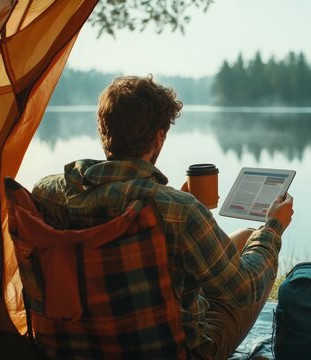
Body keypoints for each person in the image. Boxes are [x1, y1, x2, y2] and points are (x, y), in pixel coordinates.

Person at [31, 75, 294, 359]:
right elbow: (244, 291)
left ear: (103, 130)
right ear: (158, 137)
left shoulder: (48, 193)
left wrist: (170, 197)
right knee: (259, 251)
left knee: (243, 238)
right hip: (173, 351)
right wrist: (273, 228)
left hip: (75, 346)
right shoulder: (178, 210)